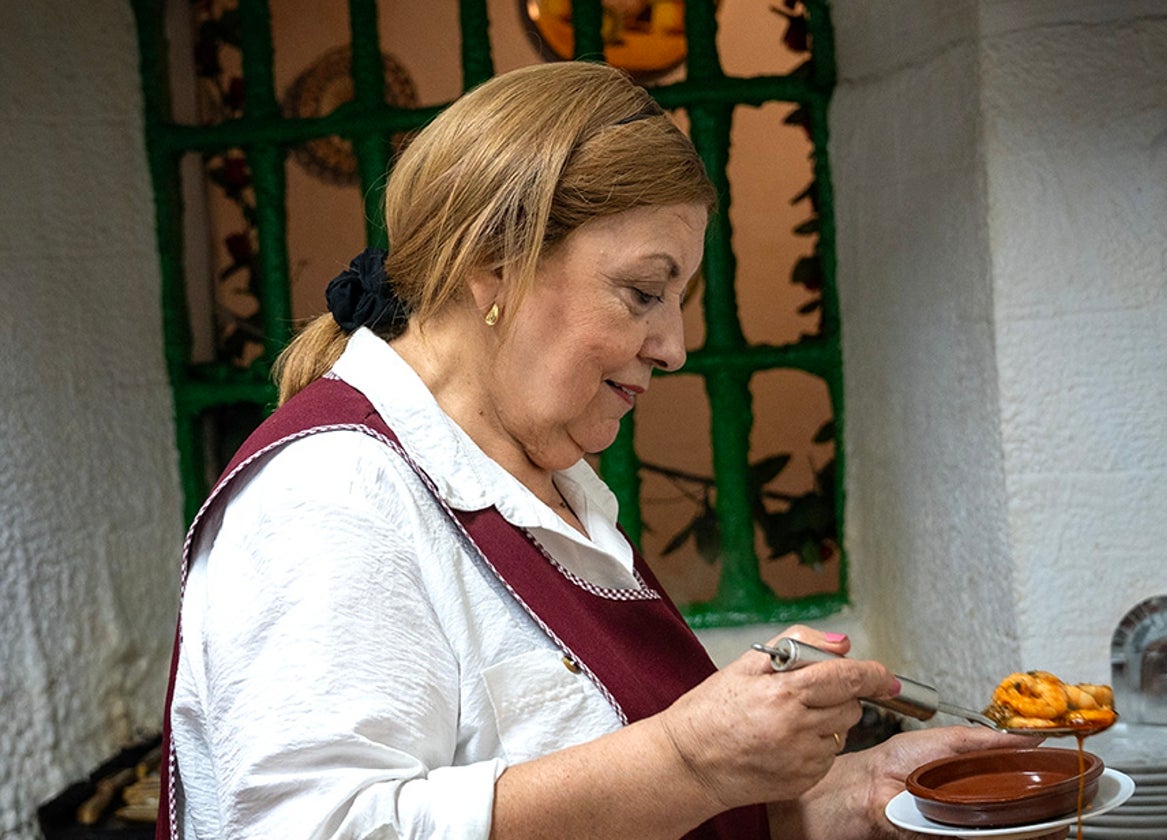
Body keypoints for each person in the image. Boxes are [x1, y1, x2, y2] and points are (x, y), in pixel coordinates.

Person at [157, 61, 1056, 840]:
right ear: (494, 264)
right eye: (642, 292)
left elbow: (623, 808)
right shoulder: (332, 493)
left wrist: (851, 798)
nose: (675, 345)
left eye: (681, 299)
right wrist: (689, 757)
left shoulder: (546, 490)